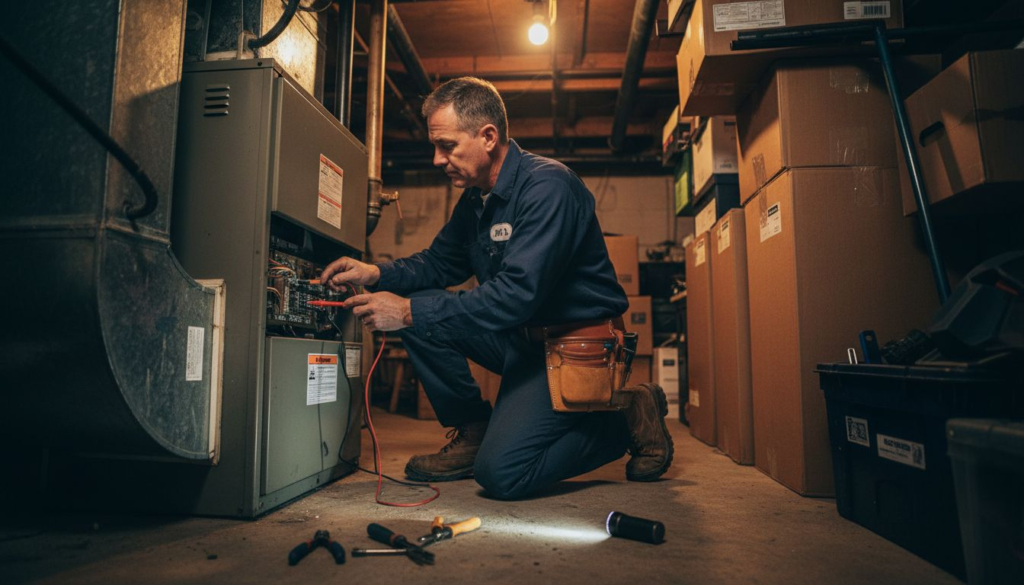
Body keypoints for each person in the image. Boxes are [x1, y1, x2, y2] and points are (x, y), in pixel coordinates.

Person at [320, 77, 673, 500]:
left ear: (488, 137)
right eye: (435, 147)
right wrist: (374, 274)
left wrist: (406, 312)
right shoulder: (476, 200)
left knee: (503, 473)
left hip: (575, 348)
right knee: (422, 307)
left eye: (447, 145)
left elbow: (515, 296)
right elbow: (438, 263)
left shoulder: (548, 187)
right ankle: (474, 430)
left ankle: (623, 421)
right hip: (521, 341)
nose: (437, 159)